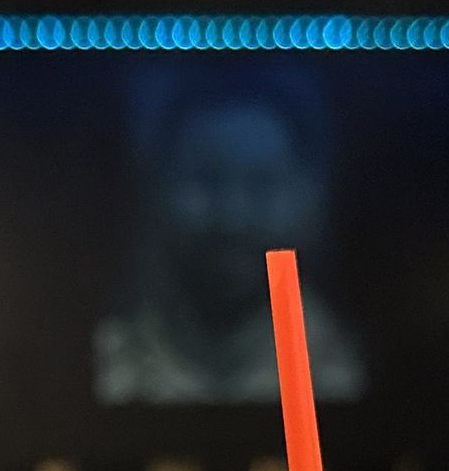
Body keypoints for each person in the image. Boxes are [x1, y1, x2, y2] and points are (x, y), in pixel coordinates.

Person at [96, 72, 364, 404]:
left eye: (262, 184)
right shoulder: (108, 367)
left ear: (309, 195)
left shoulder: (348, 370)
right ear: (154, 188)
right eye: (205, 180)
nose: (233, 218)